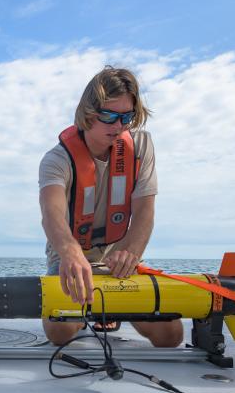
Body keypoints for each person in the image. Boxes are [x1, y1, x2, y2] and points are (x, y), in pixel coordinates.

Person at [38, 67, 183, 348]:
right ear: (88, 113)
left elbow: (144, 212)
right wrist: (70, 253)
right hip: (70, 261)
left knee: (171, 336)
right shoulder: (56, 160)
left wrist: (130, 254)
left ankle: (110, 309)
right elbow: (51, 212)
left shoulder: (141, 147)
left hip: (118, 261)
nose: (118, 127)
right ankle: (92, 313)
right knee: (60, 334)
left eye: (126, 117)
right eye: (108, 116)